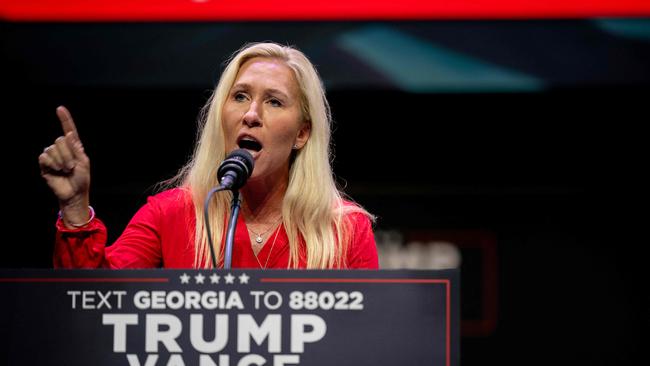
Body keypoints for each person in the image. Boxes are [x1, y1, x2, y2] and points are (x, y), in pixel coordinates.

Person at [38, 42, 378, 269]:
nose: (251, 114)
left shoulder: (344, 229)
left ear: (302, 133)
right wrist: (75, 208)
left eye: (274, 101)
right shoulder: (170, 214)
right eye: (241, 96)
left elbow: (371, 340)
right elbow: (94, 305)